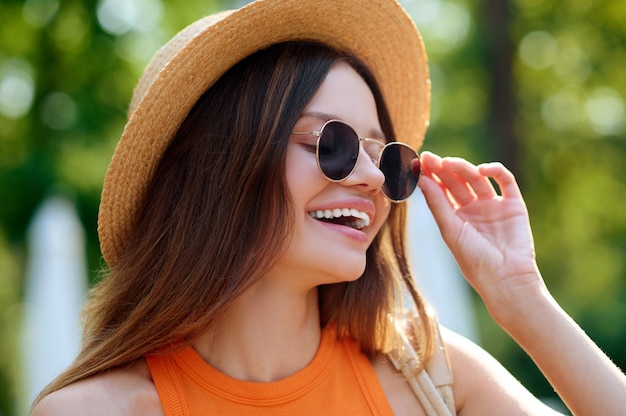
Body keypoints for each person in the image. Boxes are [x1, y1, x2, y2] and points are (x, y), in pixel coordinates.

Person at [31, 0, 626, 415]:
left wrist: (521, 296)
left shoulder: (430, 381)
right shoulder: (96, 410)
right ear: (220, 165)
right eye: (333, 145)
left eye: (384, 156)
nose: (372, 178)